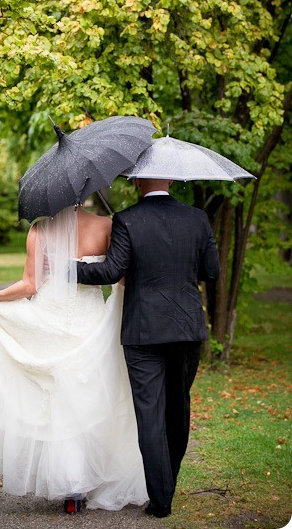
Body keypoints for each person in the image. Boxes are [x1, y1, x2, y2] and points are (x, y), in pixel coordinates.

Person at [0, 206, 148, 513]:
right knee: (88, 399)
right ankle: (83, 481)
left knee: (57, 400)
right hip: (90, 322)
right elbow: (121, 279)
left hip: (48, 319)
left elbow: (29, 286)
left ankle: (71, 487)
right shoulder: (107, 226)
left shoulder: (40, 230)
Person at [76, 178, 220, 518]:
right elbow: (211, 271)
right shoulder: (198, 218)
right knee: (178, 409)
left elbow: (112, 271)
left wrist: (68, 269)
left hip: (143, 331)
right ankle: (167, 484)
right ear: (170, 180)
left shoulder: (127, 219)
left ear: (139, 181)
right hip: (186, 328)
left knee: (149, 414)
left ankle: (161, 498)